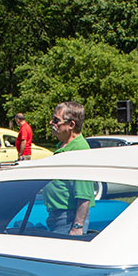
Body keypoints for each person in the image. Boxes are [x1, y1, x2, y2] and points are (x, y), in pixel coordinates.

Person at [45, 101, 93, 235]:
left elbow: (85, 194)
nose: (51, 123)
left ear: (71, 125)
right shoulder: (63, 146)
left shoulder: (79, 150)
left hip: (68, 218)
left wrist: (77, 227)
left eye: (56, 120)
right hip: (58, 215)